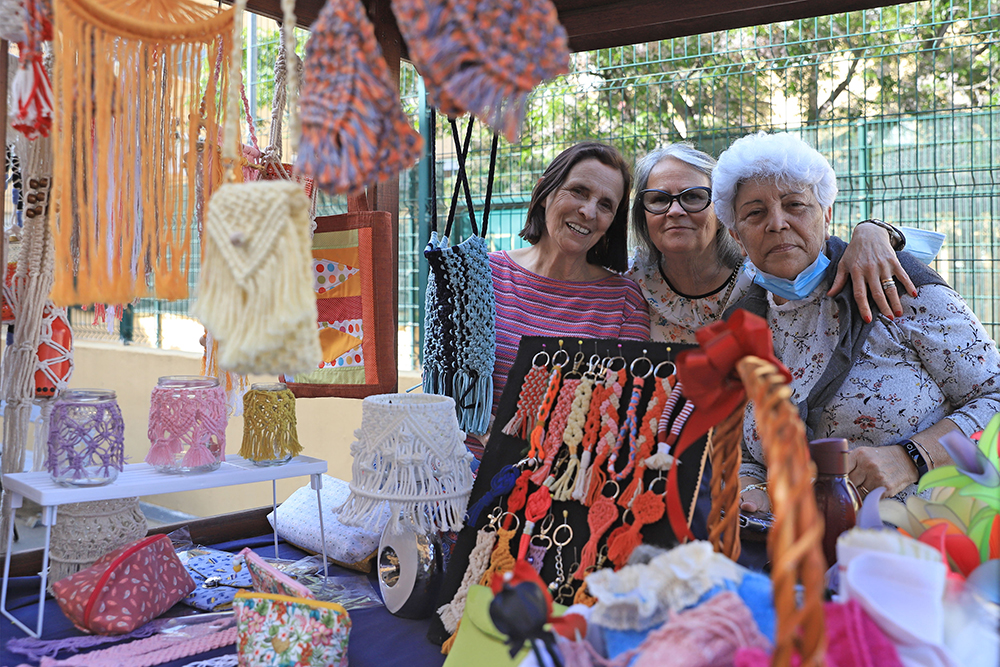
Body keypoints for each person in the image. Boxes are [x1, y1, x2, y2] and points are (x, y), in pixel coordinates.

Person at [710, 131, 1000, 513]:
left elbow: (994, 396)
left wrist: (913, 457)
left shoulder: (893, 286)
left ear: (827, 215)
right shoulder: (744, 324)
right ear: (737, 235)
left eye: (795, 204)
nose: (777, 223)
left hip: (932, 537)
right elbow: (748, 452)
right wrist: (751, 491)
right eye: (755, 213)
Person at [627, 143, 916, 344]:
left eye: (693, 196)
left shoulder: (766, 271)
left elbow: (823, 249)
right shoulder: (630, 284)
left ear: (722, 214)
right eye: (659, 199)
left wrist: (874, 230)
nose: (675, 210)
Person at [479, 141, 650, 459]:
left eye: (605, 205)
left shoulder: (625, 302)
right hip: (464, 474)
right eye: (579, 191)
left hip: (567, 481)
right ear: (544, 192)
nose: (588, 212)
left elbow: (621, 413)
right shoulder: (482, 276)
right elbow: (446, 392)